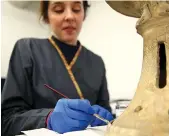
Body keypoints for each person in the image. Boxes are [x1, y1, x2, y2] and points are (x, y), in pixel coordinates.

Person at [1, 1, 113, 135]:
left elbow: (106, 111)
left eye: (76, 9)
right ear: (47, 16)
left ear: (84, 14)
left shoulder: (97, 62)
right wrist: (48, 119)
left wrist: (107, 118)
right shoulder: (27, 49)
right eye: (59, 9)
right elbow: (6, 121)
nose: (69, 16)